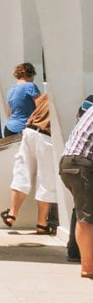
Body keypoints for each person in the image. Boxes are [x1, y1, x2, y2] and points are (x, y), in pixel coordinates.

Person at [1, 62, 53, 233]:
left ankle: (12, 213)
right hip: (41, 132)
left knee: (21, 170)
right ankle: (41, 223)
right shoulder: (31, 87)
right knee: (45, 177)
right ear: (31, 74)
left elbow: (10, 111)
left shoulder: (11, 89)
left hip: (17, 128)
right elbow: (41, 106)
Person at [58, 101, 93, 278]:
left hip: (72, 163)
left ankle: (77, 253)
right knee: (86, 216)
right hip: (81, 164)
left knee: (83, 212)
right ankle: (87, 267)